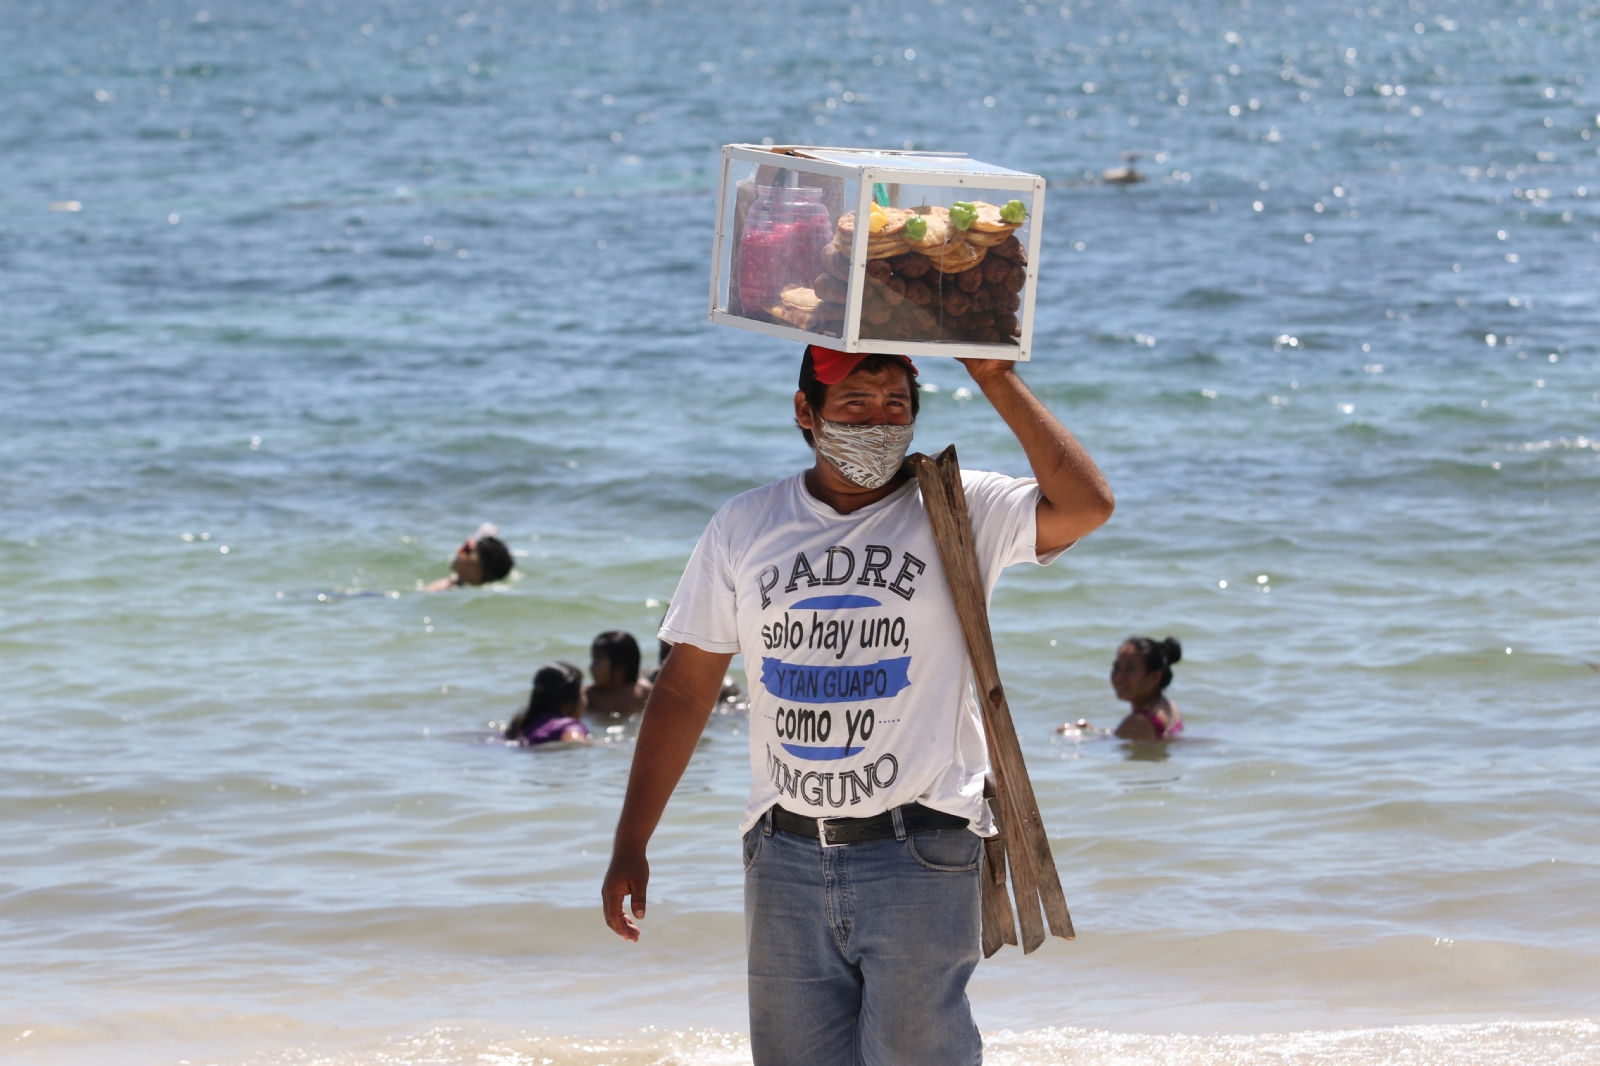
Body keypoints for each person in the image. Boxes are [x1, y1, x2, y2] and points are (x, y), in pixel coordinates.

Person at [601, 345, 1114, 1066]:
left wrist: (994, 376)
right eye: (854, 406)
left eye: (896, 406)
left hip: (921, 849)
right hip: (782, 854)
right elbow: (687, 689)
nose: (878, 423)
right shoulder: (745, 527)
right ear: (805, 412)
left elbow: (1088, 505)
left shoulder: (961, 509)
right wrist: (632, 839)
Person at [1110, 636, 1184, 741]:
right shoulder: (1169, 706)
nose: (1119, 677)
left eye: (1130, 669)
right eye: (1116, 668)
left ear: (1155, 677)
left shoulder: (1139, 722)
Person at [505, 662, 591, 746]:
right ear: (567, 703)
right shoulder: (568, 726)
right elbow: (575, 744)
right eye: (582, 693)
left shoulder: (522, 725)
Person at [584, 631, 653, 720]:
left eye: (598, 662)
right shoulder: (589, 695)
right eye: (593, 661)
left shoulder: (644, 693)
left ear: (620, 667)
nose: (592, 667)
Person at [424, 523, 514, 591]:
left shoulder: (444, 590)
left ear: (475, 572)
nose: (460, 550)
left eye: (467, 550)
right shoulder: (458, 584)